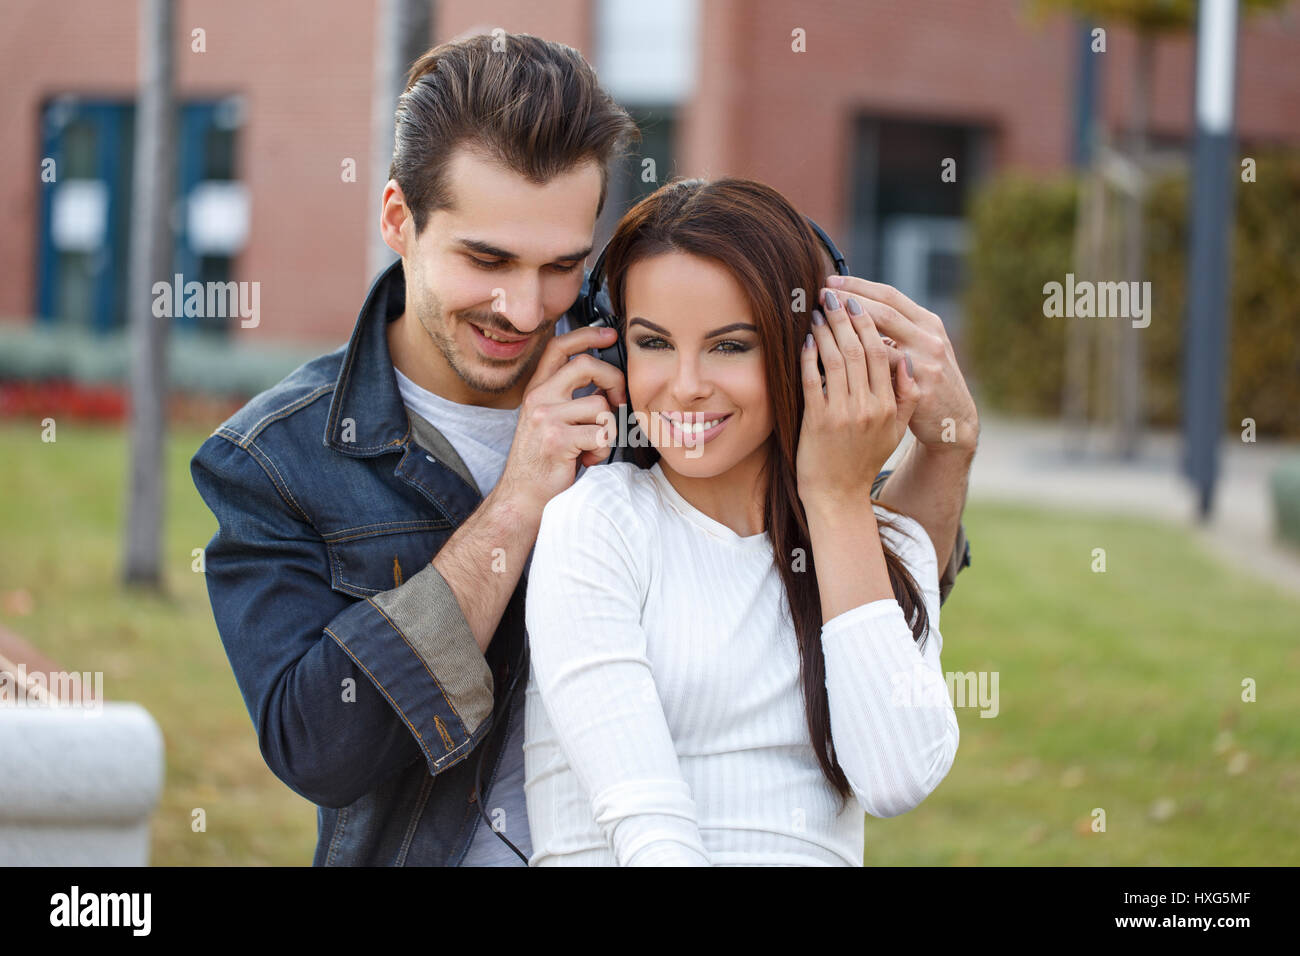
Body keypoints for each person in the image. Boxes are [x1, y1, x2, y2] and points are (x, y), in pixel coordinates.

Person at [191, 32, 975, 867]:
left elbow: (848, 612)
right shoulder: (276, 461)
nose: (525, 309)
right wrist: (520, 499)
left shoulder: (652, 377)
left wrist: (948, 447)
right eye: (486, 259)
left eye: (561, 264)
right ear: (399, 220)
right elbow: (323, 749)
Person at [523, 178, 976, 865]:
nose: (685, 384)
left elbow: (896, 775)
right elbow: (649, 832)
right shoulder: (597, 526)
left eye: (730, 346)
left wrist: (836, 498)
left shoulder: (880, 537)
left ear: (811, 351)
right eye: (653, 343)